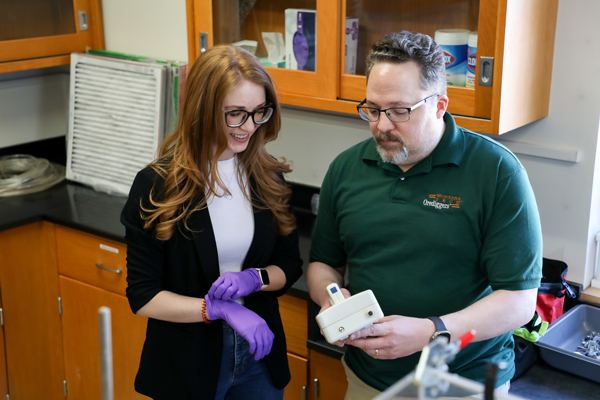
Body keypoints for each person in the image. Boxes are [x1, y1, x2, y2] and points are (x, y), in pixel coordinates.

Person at [306, 31, 543, 399]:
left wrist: (432, 331)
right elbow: (323, 263)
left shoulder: (496, 172)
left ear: (439, 105)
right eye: (372, 109)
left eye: (400, 111)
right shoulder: (346, 168)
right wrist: (331, 301)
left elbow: (519, 301)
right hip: (366, 379)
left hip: (461, 383)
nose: (382, 125)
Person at [120, 44, 303, 400]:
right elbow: (143, 295)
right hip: (189, 363)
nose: (248, 127)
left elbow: (289, 264)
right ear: (203, 110)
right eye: (235, 114)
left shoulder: (267, 176)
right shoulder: (158, 186)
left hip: (258, 356)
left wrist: (255, 279)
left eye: (258, 112)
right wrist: (215, 308)